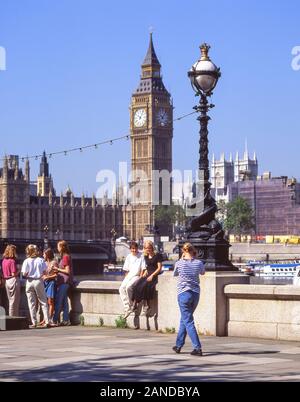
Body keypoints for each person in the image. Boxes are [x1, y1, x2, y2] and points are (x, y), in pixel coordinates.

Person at [172, 242, 205, 356]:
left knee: (188, 321)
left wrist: (182, 259)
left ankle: (197, 347)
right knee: (185, 319)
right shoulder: (198, 263)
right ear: (193, 251)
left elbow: (175, 274)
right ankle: (178, 345)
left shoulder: (179, 263)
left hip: (183, 293)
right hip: (195, 293)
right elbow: (203, 272)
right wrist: (194, 259)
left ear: (183, 251)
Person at [21, 244, 50, 328]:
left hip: (29, 282)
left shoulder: (26, 261)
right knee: (43, 301)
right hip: (38, 281)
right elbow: (45, 273)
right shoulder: (41, 260)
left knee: (31, 303)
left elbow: (24, 274)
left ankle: (34, 322)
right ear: (36, 251)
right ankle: (47, 321)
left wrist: (29, 273)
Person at [132, 240, 163, 316]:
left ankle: (148, 305)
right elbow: (146, 267)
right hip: (147, 274)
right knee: (137, 284)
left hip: (154, 274)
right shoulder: (145, 256)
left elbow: (159, 268)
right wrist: (145, 271)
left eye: (149, 248)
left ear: (152, 247)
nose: (148, 249)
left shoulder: (157, 255)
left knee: (146, 285)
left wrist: (152, 275)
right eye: (146, 248)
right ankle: (135, 303)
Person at [119, 241, 146, 318]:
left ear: (137, 248)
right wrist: (126, 279)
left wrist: (140, 278)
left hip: (136, 276)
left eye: (135, 248)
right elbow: (126, 270)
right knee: (121, 288)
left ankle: (131, 305)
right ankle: (127, 307)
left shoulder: (141, 256)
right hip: (129, 275)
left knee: (128, 288)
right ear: (130, 249)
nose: (134, 250)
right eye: (132, 249)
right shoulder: (128, 257)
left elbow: (143, 269)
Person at [52, 240, 73, 326]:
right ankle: (65, 320)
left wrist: (57, 269)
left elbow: (67, 271)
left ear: (62, 247)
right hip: (64, 282)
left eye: (58, 246)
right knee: (64, 303)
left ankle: (54, 320)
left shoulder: (65, 257)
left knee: (58, 301)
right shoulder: (66, 256)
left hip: (64, 282)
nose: (57, 248)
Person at [1, 245, 21, 317]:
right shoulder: (12, 261)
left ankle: (11, 317)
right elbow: (13, 274)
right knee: (14, 301)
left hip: (6, 281)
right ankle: (13, 317)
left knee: (10, 300)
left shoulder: (3, 261)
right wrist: (19, 270)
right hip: (13, 280)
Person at [41, 248, 58, 324]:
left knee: (50, 301)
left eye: (44, 254)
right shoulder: (43, 263)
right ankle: (45, 319)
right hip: (44, 283)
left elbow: (56, 275)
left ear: (47, 255)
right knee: (45, 302)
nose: (43, 255)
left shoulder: (54, 263)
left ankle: (49, 319)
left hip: (51, 283)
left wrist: (47, 277)